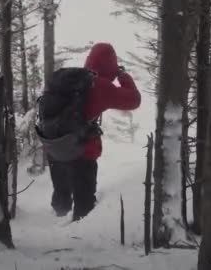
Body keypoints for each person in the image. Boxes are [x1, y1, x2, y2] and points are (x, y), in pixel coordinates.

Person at [48, 42, 141, 220]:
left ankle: (55, 222)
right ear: (111, 66)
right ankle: (79, 235)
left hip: (53, 144)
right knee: (84, 204)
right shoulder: (100, 86)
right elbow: (134, 100)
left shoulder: (67, 79)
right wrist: (122, 75)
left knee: (61, 196)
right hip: (81, 150)